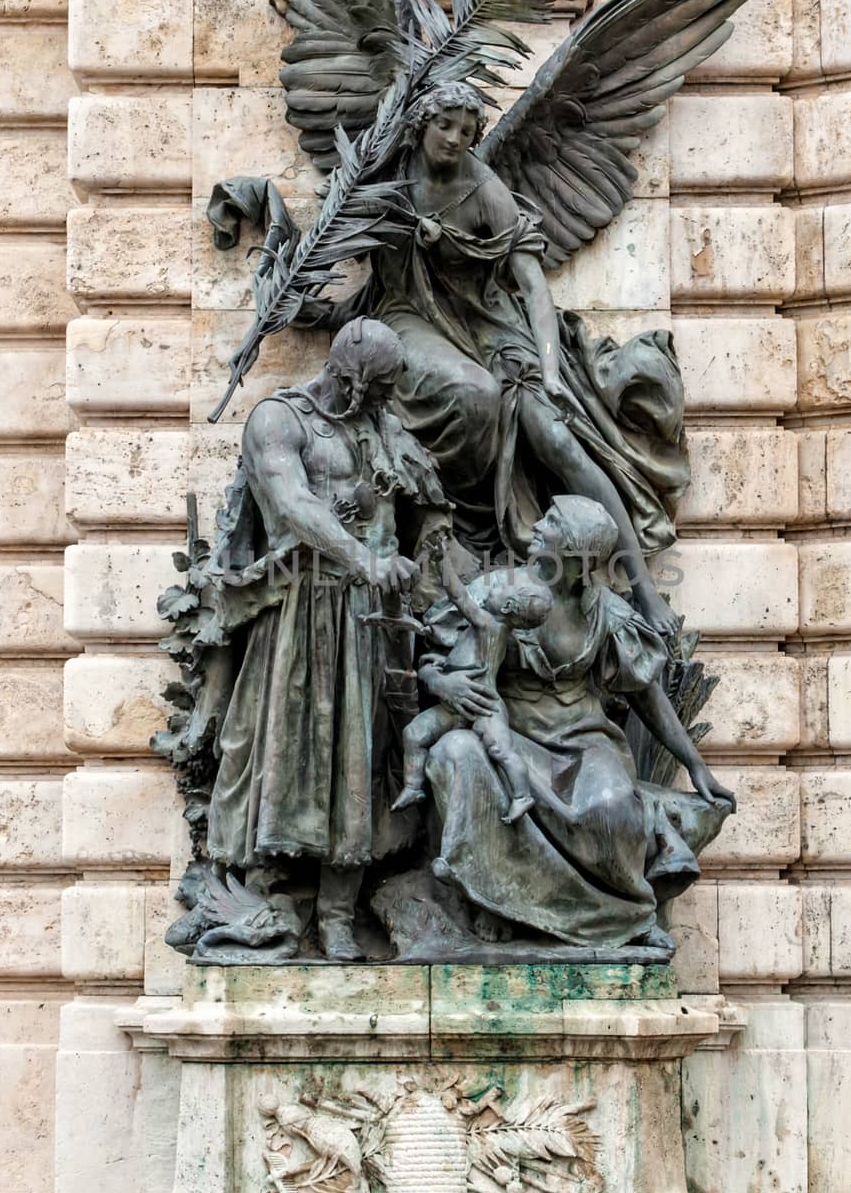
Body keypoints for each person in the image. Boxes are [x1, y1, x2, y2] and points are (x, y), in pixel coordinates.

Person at [357, 81, 690, 638]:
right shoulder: (383, 176)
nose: (456, 140)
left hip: (493, 327)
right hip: (410, 318)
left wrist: (553, 373)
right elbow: (334, 248)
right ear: (420, 126)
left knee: (559, 440)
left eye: (467, 132)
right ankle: (458, 532)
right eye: (445, 127)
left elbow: (534, 288)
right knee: (472, 394)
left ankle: (645, 588)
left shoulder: (483, 188)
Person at [201, 317, 447, 961]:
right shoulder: (277, 420)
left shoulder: (379, 427)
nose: (393, 397)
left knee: (359, 763)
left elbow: (419, 501)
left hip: (369, 619)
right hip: (296, 609)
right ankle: (265, 899)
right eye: (385, 384)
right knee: (287, 757)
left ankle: (338, 916)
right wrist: (363, 558)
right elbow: (292, 507)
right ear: (355, 377)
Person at [419, 495, 736, 951]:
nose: (536, 527)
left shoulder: (605, 613)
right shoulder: (499, 591)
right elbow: (433, 662)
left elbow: (647, 695)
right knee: (455, 753)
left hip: (585, 743)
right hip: (511, 734)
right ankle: (498, 903)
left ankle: (627, 915)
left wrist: (696, 763)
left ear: (570, 553)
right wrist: (442, 685)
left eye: (549, 522)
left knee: (611, 806)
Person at [391, 551, 553, 827]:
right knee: (414, 734)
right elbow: (466, 654)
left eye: (500, 588)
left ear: (507, 607)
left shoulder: (489, 624)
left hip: (485, 706)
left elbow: (460, 598)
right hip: (452, 706)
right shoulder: (488, 628)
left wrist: (442, 562)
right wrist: (443, 666)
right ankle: (413, 786)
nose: (493, 587)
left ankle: (523, 795)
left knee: (501, 750)